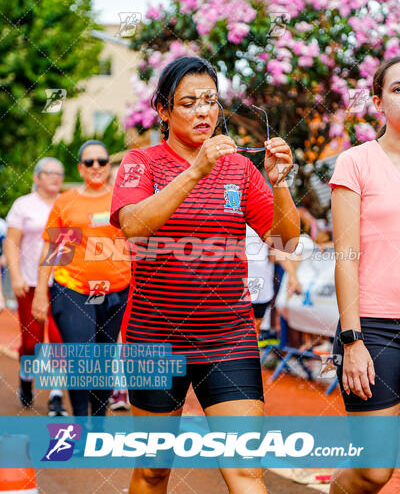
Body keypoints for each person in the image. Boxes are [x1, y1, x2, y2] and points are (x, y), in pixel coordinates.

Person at [110, 56, 300, 494]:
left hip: (228, 336)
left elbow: (285, 242)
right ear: (163, 110)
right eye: (190, 102)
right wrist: (196, 170)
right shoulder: (141, 162)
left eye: (211, 101)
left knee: (245, 471)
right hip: (153, 336)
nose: (203, 112)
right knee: (154, 471)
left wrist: (280, 182)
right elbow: (134, 224)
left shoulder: (239, 168)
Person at [329, 56, 400, 494]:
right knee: (375, 471)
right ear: (378, 101)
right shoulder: (356, 162)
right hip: (374, 328)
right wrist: (352, 341)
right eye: (399, 88)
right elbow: (346, 256)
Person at [32, 140, 131, 418]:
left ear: (109, 166)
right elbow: (54, 251)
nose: (96, 166)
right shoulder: (68, 203)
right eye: (89, 162)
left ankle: (97, 425)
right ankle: (79, 421)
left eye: (102, 161)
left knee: (103, 359)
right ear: (81, 167)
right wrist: (41, 292)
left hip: (116, 292)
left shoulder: (124, 200)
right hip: (74, 290)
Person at [4, 158, 67, 415]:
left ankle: (56, 397)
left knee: (60, 340)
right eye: (49, 173)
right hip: (29, 283)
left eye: (59, 173)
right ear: (37, 177)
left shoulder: (67, 203)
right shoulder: (23, 205)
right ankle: (26, 379)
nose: (55, 177)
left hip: (62, 285)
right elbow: (11, 242)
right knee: (32, 343)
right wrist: (16, 276)